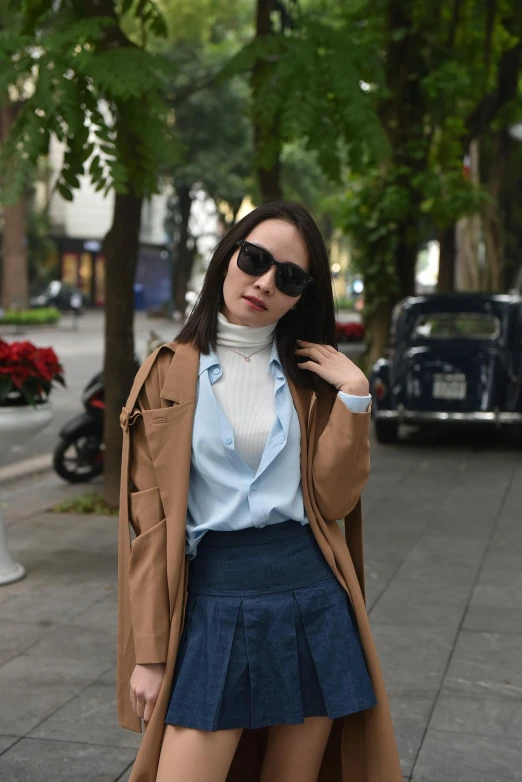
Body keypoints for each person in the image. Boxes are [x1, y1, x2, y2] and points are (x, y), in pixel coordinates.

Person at [117, 201, 402, 782]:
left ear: (301, 296)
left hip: (311, 596)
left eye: (289, 276)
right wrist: (149, 652)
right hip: (213, 598)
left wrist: (353, 397)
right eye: (255, 259)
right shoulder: (167, 372)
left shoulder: (313, 379)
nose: (266, 282)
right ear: (228, 257)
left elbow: (335, 502)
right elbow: (150, 524)